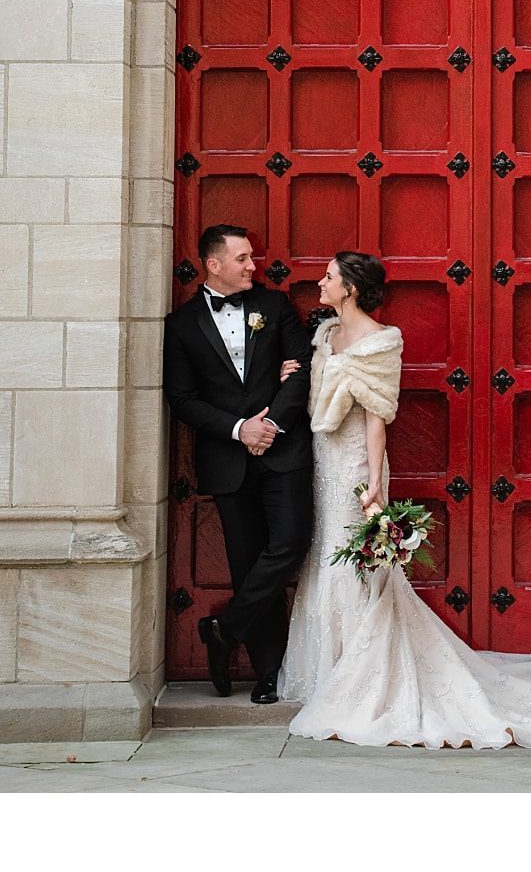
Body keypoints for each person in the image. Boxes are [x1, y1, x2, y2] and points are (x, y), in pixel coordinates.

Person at [278, 250, 531, 747]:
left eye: (328, 278)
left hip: (354, 464)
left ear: (349, 288)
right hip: (323, 459)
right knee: (326, 556)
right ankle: (329, 671)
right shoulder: (323, 335)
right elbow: (316, 394)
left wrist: (372, 483)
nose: (319, 284)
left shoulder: (378, 341)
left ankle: (361, 676)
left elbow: (376, 417)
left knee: (350, 564)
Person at [162, 223, 314, 704]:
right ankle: (268, 673)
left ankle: (223, 630)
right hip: (227, 461)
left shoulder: (274, 306)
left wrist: (269, 427)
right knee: (248, 566)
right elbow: (182, 398)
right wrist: (238, 429)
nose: (254, 265)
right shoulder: (181, 325)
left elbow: (302, 366)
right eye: (244, 258)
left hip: (283, 452)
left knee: (291, 542)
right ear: (213, 265)